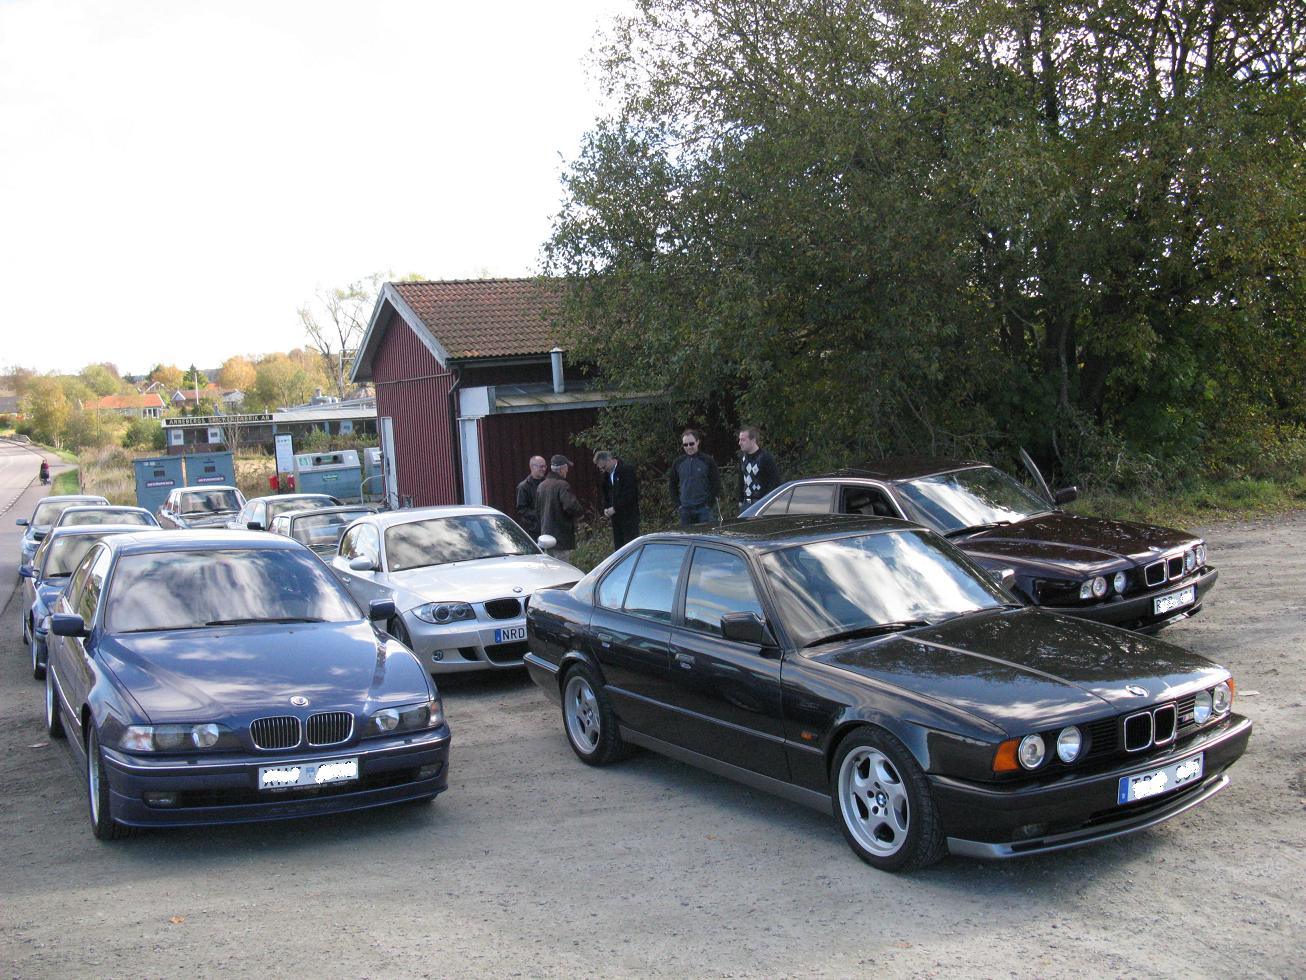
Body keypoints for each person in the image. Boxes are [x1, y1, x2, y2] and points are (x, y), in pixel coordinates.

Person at [536, 454, 584, 562]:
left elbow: (537, 510)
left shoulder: (541, 486)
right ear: (562, 469)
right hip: (561, 537)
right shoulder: (562, 485)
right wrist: (580, 513)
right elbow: (571, 506)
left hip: (546, 536)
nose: (567, 471)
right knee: (562, 569)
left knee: (550, 568)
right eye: (566, 468)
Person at [668, 428, 720, 526]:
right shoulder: (678, 463)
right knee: (687, 539)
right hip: (685, 510)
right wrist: (678, 505)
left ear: (697, 442)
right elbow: (672, 485)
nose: (688, 447)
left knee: (706, 538)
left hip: (704, 509)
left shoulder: (707, 461)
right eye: (685, 445)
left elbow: (716, 483)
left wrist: (709, 504)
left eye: (691, 444)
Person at [594, 450, 640, 549]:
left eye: (604, 467)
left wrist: (615, 508)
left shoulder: (626, 470)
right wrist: (606, 508)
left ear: (610, 460)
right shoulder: (606, 476)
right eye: (601, 468)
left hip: (629, 517)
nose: (603, 470)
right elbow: (606, 494)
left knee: (630, 546)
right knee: (619, 548)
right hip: (616, 518)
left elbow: (630, 494)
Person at [736, 426, 781, 511]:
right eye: (739, 439)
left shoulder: (765, 458)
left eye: (743, 440)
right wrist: (740, 500)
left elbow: (775, 482)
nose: (739, 443)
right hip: (746, 504)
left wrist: (767, 502)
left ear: (753, 440)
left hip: (761, 504)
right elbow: (741, 480)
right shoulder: (743, 458)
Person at [515, 455, 548, 536]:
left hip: (548, 528)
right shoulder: (523, 487)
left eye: (545, 466)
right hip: (532, 531)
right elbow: (521, 509)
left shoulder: (548, 484)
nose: (543, 469)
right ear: (532, 467)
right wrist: (540, 515)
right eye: (541, 467)